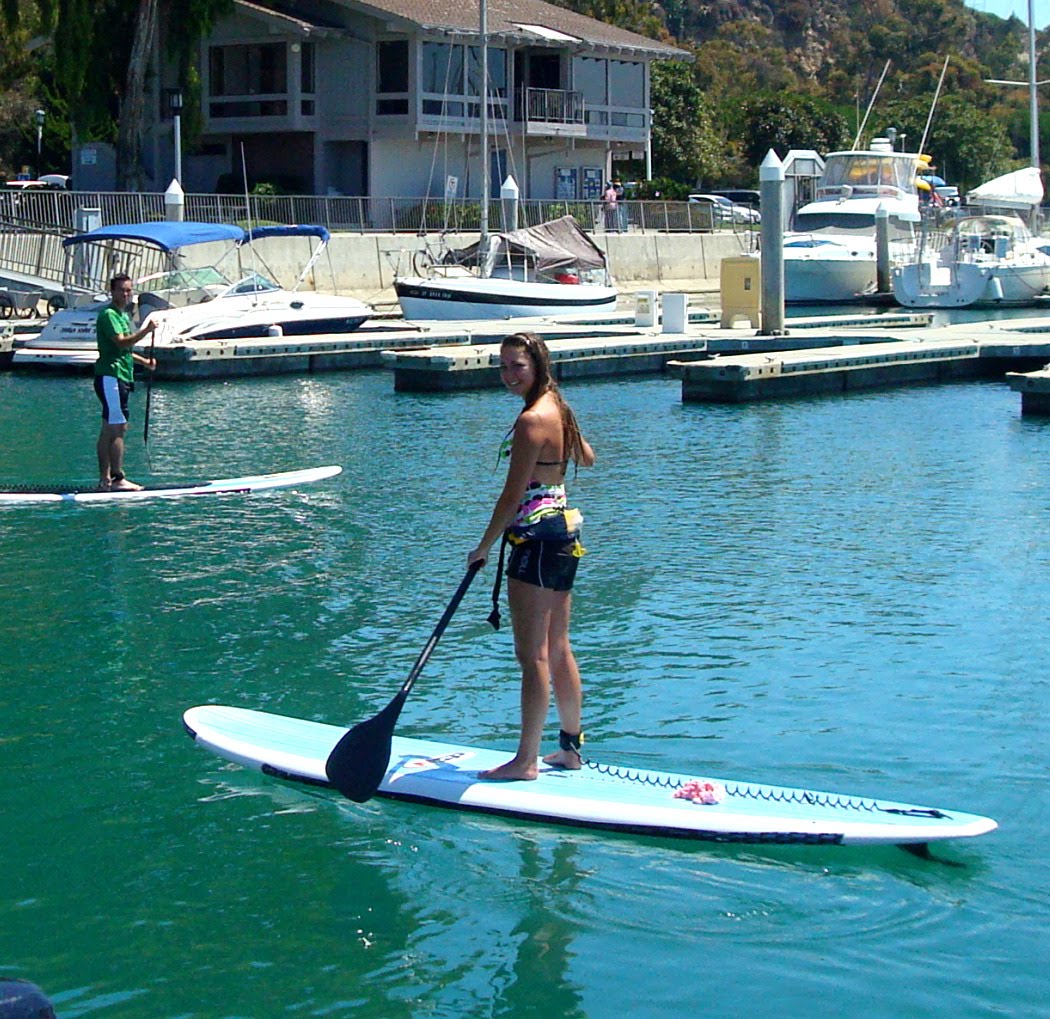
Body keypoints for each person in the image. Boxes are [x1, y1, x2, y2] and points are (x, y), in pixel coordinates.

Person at [468, 332, 596, 781]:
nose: (507, 375)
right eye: (502, 366)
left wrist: (483, 546)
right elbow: (588, 457)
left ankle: (525, 762)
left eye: (517, 366)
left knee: (532, 655)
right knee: (558, 646)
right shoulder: (557, 408)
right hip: (565, 533)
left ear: (538, 364)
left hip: (534, 540)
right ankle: (569, 750)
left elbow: (512, 494)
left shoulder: (531, 421)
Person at [94, 273, 156, 491]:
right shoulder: (109, 315)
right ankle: (115, 478)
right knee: (116, 427)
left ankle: (107, 479)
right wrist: (146, 331)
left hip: (121, 376)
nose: (126, 294)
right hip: (110, 376)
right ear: (112, 292)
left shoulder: (122, 316)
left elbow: (126, 351)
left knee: (113, 427)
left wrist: (144, 361)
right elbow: (121, 343)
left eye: (129, 290)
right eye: (122, 290)